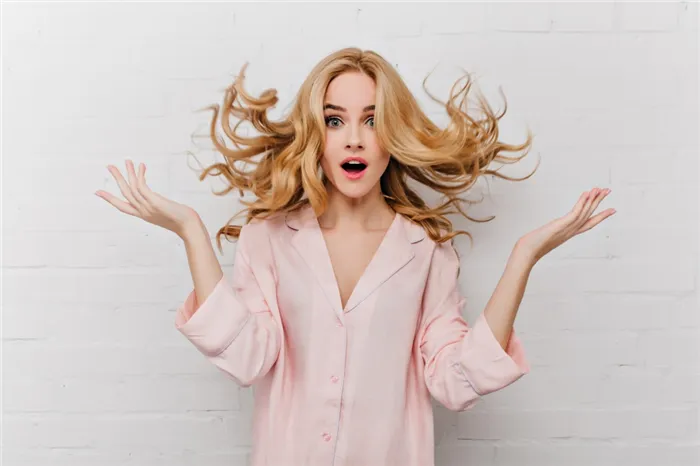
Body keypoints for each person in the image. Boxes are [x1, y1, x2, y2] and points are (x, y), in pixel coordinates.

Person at [95, 47, 615, 466]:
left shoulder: (426, 252)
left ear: (394, 134)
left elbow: (455, 380)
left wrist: (524, 257)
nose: (355, 139)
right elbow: (248, 357)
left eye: (372, 119)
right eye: (335, 120)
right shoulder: (269, 238)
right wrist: (190, 230)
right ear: (315, 135)